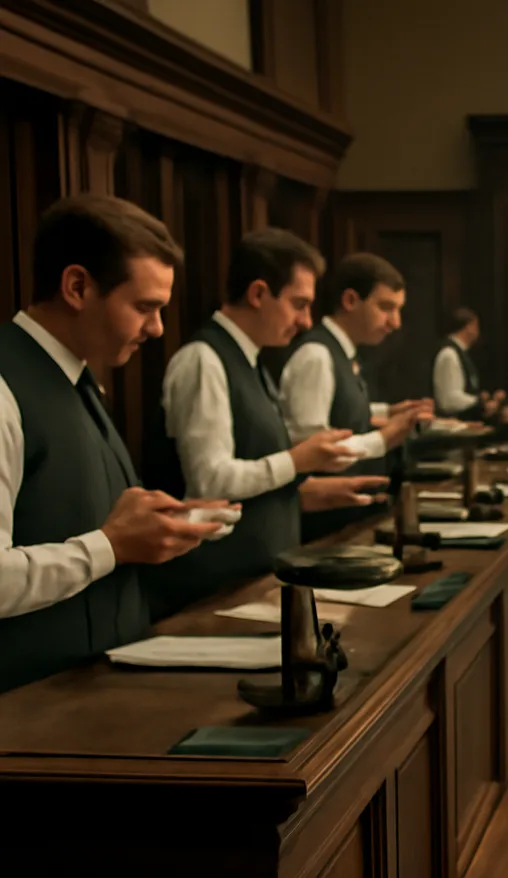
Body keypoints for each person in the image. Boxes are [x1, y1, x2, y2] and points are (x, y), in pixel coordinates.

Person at [0, 195, 226, 690]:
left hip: (100, 686)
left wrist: (163, 522)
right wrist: (110, 546)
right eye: (144, 307)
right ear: (77, 287)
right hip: (28, 705)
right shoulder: (4, 387)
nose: (157, 328)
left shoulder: (79, 379)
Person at [156, 229, 387, 611]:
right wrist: (298, 461)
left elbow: (255, 467)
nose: (306, 321)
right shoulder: (203, 359)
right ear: (259, 294)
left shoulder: (252, 361)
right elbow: (210, 480)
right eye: (299, 304)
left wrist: (307, 491)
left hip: (254, 578)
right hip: (212, 588)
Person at [278, 252, 430, 539]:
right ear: (350, 300)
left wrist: (388, 412)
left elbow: (340, 408)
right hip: (323, 527)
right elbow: (311, 446)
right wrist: (384, 439)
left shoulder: (340, 351)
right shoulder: (316, 355)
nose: (395, 322)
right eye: (386, 307)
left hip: (347, 517)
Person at [432, 307, 506, 420]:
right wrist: (481, 403)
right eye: (476, 326)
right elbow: (448, 400)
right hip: (454, 425)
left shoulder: (460, 353)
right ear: (469, 326)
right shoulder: (449, 354)